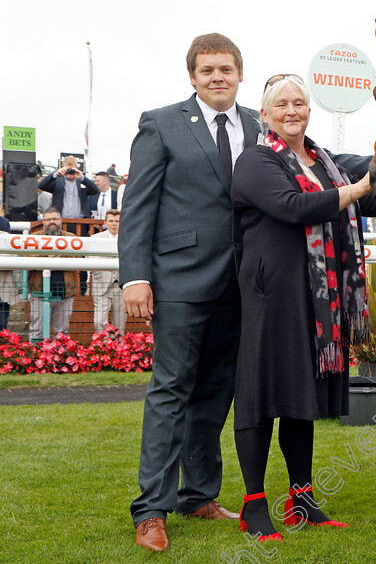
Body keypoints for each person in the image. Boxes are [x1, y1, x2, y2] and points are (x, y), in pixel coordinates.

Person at [119, 33, 260, 553]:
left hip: (242, 285)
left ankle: (198, 494)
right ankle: (150, 510)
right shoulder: (161, 123)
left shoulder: (258, 124)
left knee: (215, 394)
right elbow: (137, 206)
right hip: (179, 281)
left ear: (239, 74)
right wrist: (136, 276)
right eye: (207, 70)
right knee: (170, 393)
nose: (217, 77)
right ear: (193, 77)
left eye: (225, 69)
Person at [231, 73, 376, 541]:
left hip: (318, 297)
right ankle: (253, 504)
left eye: (300, 102)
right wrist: (358, 190)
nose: (292, 110)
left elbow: (371, 193)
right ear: (265, 113)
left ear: (309, 110)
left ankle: (302, 498)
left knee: (300, 396)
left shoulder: (323, 160)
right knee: (261, 394)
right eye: (282, 104)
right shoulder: (255, 159)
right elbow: (294, 207)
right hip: (271, 294)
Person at [28, 208, 77, 342]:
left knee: (62, 333)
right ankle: (35, 359)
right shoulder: (34, 238)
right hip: (39, 293)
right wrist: (52, 255)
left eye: (55, 219)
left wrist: (50, 257)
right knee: (36, 331)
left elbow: (77, 256)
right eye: (48, 219)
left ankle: (60, 361)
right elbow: (28, 255)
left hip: (65, 293)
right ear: (43, 222)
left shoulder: (71, 237)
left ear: (60, 220)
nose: (52, 222)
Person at [89, 210, 125, 333]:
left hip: (121, 284)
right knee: (99, 321)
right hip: (101, 284)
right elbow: (90, 259)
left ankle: (119, 350)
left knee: (119, 324)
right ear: (105, 222)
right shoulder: (95, 238)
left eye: (117, 221)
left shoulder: (128, 238)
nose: (114, 224)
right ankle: (103, 347)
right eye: (111, 221)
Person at [37, 156, 98, 228]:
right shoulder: (57, 182)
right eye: (67, 170)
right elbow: (41, 186)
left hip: (81, 223)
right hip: (60, 222)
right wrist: (56, 174)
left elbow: (95, 190)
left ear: (77, 168)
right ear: (62, 168)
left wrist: (82, 177)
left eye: (71, 170)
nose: (69, 172)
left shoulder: (82, 182)